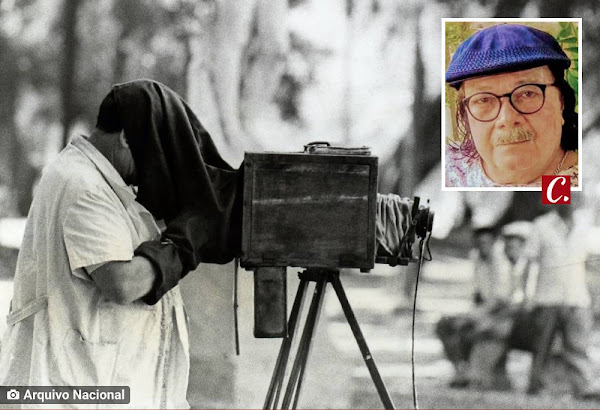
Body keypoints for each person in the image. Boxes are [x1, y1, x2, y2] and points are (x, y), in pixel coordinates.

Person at [0, 79, 243, 408]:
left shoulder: (91, 177)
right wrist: (186, 242)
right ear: (129, 137)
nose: (148, 173)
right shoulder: (84, 186)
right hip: (80, 390)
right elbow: (122, 283)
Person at [445, 24, 578, 187]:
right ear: (465, 114)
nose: (507, 119)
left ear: (561, 102)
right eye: (484, 100)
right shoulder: (449, 173)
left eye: (527, 93)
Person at [525, 203, 600, 400]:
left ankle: (583, 388)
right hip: (546, 296)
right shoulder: (541, 225)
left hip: (577, 296)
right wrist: (527, 295)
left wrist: (594, 297)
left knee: (577, 347)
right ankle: (537, 387)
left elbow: (592, 263)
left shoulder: (585, 223)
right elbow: (530, 263)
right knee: (542, 347)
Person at [436, 226, 511, 387]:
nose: (483, 246)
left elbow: (500, 300)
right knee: (444, 325)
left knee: (467, 329)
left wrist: (473, 316)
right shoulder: (477, 258)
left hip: (500, 313)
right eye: (480, 243)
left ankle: (471, 374)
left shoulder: (501, 262)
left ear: (494, 243)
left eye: (487, 242)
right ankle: (460, 370)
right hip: (482, 310)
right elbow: (477, 293)